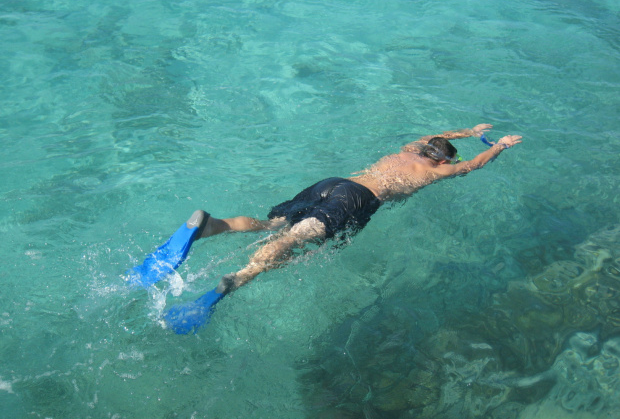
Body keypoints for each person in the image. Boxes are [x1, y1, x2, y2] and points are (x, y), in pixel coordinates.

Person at [127, 124, 522, 333]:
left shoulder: (408, 150)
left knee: (274, 224)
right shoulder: (435, 171)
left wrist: (469, 131)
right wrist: (499, 144)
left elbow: (439, 135)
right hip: (356, 201)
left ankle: (213, 224)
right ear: (439, 161)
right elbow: (475, 165)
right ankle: (237, 278)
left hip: (330, 184)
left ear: (424, 148)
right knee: (296, 242)